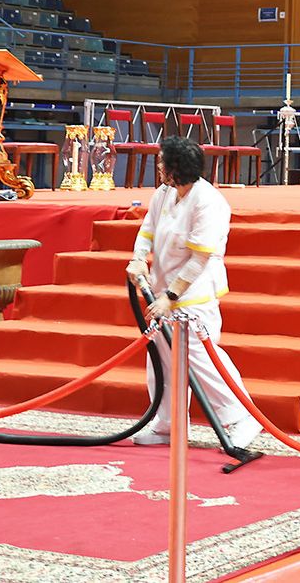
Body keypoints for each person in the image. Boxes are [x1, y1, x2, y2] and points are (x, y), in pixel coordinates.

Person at [125, 136, 261, 450]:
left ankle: (241, 417)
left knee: (203, 361)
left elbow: (200, 258)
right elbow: (147, 229)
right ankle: (168, 425)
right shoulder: (164, 193)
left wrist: (170, 297)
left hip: (193, 296)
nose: (158, 166)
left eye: (162, 161)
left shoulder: (209, 202)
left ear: (175, 168)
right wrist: (137, 259)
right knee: (161, 362)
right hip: (159, 291)